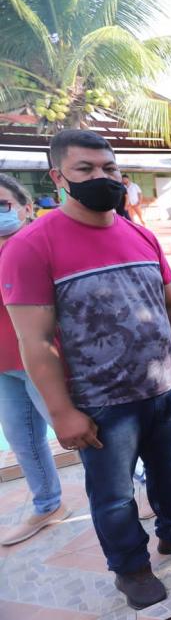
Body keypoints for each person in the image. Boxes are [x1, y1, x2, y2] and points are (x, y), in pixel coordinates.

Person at [1, 129, 171, 609]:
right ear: (58, 177)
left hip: (165, 389)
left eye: (109, 168)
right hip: (102, 403)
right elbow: (34, 340)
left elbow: (170, 302)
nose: (101, 177)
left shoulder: (139, 233)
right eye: (85, 169)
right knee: (114, 496)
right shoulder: (32, 245)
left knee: (170, 474)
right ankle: (131, 568)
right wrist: (62, 413)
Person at [0, 174, 70, 546]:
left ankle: (139, 486)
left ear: (27, 208)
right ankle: (48, 505)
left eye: (3, 205)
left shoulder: (37, 247)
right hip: (5, 366)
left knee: (82, 433)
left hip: (42, 362)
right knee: (24, 440)